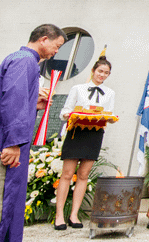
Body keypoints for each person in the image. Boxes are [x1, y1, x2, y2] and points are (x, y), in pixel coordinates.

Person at [0, 24, 66, 242]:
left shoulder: (20, 59)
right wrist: (13, 143)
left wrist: (33, 105)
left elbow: (12, 100)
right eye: (57, 46)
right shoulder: (25, 60)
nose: (56, 52)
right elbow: (13, 101)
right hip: (0, 148)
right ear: (44, 39)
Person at [54, 56, 115, 230]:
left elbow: (110, 113)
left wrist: (108, 118)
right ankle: (59, 215)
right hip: (76, 132)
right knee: (67, 174)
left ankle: (74, 214)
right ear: (93, 71)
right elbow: (65, 109)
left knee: (83, 175)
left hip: (94, 134)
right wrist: (68, 114)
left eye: (106, 73)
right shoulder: (77, 88)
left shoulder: (110, 93)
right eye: (100, 71)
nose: (102, 75)